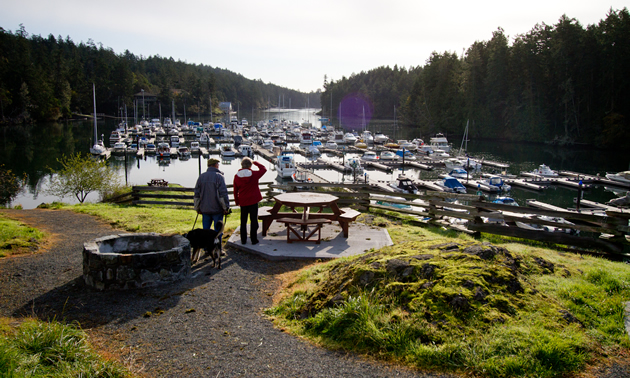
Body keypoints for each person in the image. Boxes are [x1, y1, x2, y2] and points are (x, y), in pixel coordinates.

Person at [233, 157, 267, 244]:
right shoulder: (254, 174)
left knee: (243, 221)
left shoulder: (237, 176)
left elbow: (235, 190)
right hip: (253, 200)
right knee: (253, 220)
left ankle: (243, 240)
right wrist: (255, 162)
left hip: (243, 201)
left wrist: (237, 201)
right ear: (250, 166)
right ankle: (253, 239)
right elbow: (264, 169)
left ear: (241, 165)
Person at [194, 158, 230, 237]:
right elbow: (223, 194)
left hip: (205, 209)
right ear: (215, 165)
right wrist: (225, 208)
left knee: (205, 231)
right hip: (217, 209)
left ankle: (207, 248)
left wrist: (197, 208)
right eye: (218, 164)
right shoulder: (219, 177)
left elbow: (197, 194)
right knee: (218, 231)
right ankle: (217, 248)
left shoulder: (201, 177)